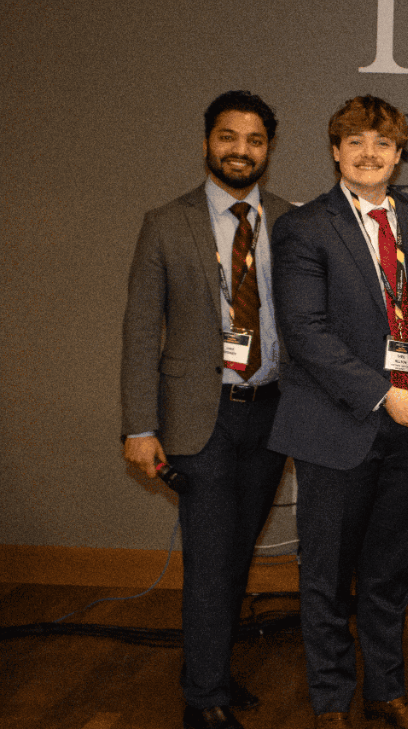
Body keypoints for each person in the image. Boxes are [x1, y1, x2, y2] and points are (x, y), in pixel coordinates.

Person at [268, 97, 408, 729]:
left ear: (400, 155)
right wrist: (384, 394)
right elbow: (307, 333)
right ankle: (330, 705)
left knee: (388, 574)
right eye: (355, 142)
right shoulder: (302, 228)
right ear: (335, 150)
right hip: (339, 425)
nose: (369, 153)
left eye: (382, 143)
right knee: (325, 577)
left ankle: (387, 695)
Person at [121, 90, 290, 729]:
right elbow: (141, 329)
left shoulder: (291, 220)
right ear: (206, 143)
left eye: (253, 140)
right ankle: (204, 698)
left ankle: (212, 671)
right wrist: (140, 425)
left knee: (238, 550)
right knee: (211, 554)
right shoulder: (166, 222)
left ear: (268, 149)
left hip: (272, 411)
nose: (240, 150)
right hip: (201, 415)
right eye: (228, 137)